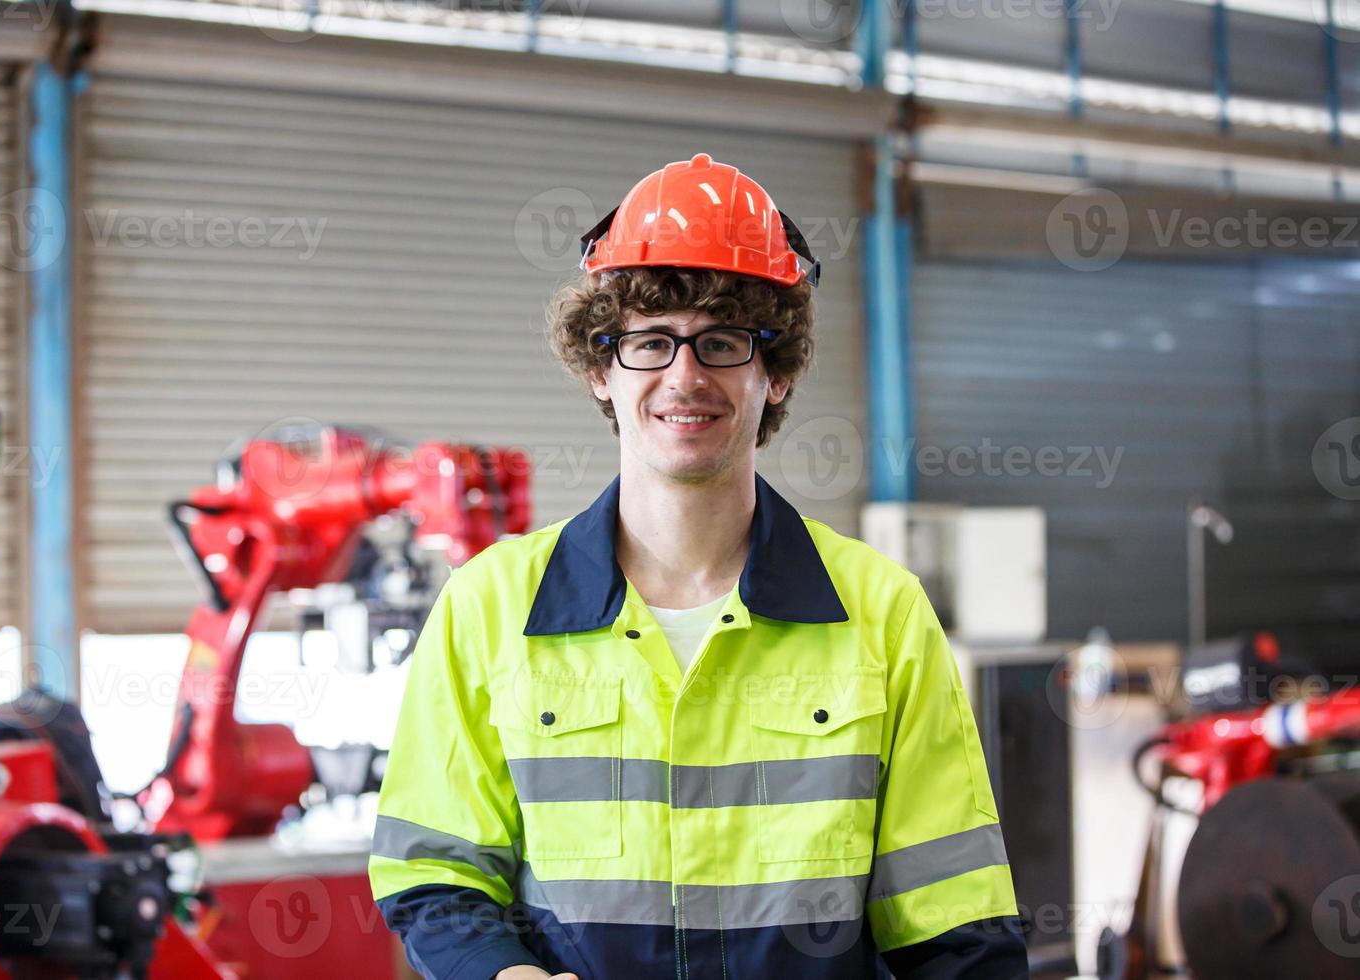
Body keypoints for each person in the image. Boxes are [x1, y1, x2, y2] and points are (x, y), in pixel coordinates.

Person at [369, 153, 1028, 979]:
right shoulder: (490, 607)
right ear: (601, 370)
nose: (685, 375)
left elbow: (954, 922)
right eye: (650, 342)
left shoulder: (880, 611)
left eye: (721, 342)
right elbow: (434, 870)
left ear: (776, 373)